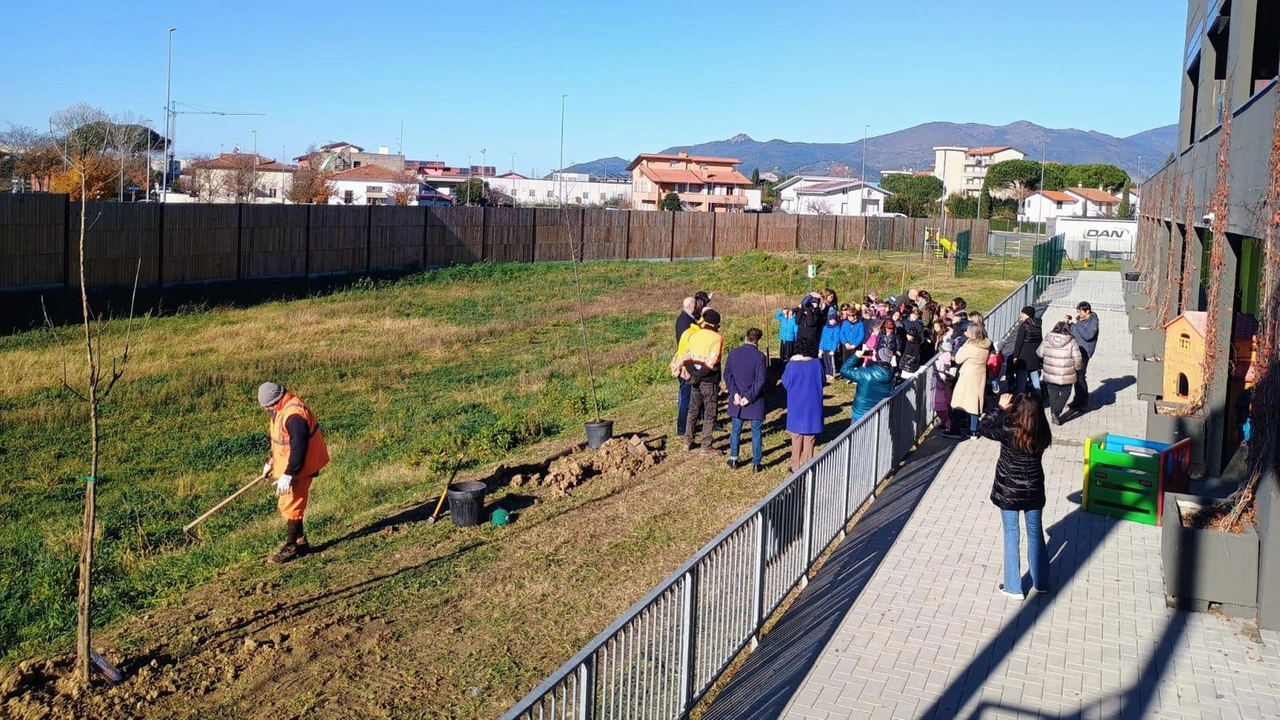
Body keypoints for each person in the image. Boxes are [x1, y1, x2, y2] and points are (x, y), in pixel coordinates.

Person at [979, 392, 1053, 600]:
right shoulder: (1042, 430)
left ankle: (1014, 586)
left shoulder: (1009, 429)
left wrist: (1000, 408)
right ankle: (1041, 582)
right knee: (1035, 533)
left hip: (1009, 489)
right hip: (1034, 488)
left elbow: (983, 428)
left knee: (1012, 534)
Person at [257, 382, 330, 564]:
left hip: (300, 466)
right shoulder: (280, 409)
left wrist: (289, 474)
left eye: (269, 406)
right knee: (289, 504)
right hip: (290, 464)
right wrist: (271, 461)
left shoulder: (294, 415)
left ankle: (291, 547)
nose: (267, 410)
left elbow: (299, 448)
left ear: (277, 399)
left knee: (291, 505)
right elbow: (281, 441)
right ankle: (301, 541)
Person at [680, 309, 724, 453]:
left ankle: (688, 441)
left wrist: (694, 375)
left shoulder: (694, 335)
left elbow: (686, 358)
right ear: (717, 324)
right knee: (710, 414)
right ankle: (706, 446)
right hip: (709, 379)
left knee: (692, 410)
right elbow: (711, 362)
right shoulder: (717, 338)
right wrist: (700, 375)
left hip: (694, 379)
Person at [724, 328, 767, 471]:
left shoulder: (733, 353)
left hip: (737, 399)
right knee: (756, 432)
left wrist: (734, 393)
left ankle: (734, 459)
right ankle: (756, 463)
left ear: (745, 338)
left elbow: (727, 375)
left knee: (736, 430)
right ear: (758, 341)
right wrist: (749, 397)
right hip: (754, 399)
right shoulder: (760, 357)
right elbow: (760, 380)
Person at [781, 338, 824, 472]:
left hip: (796, 403)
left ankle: (795, 466)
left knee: (796, 436)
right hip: (813, 404)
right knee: (809, 437)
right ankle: (807, 466)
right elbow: (822, 381)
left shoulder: (791, 365)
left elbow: (785, 383)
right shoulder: (817, 364)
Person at [948, 324, 992, 438]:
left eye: (967, 331)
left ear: (972, 334)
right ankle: (973, 430)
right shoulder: (986, 345)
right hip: (980, 375)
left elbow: (958, 359)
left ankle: (955, 429)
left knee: (959, 402)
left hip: (967, 375)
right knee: (975, 403)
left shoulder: (969, 347)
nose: (965, 333)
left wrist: (962, 347)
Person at [1038, 321, 1083, 424]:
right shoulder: (1072, 341)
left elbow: (1039, 353)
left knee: (1053, 393)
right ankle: (1056, 412)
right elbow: (1077, 358)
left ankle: (1054, 411)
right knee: (1065, 393)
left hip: (1051, 372)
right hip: (1066, 373)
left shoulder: (1047, 339)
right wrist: (1077, 367)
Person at [842, 346, 895, 421]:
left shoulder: (866, 373)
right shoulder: (891, 376)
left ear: (878, 358)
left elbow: (844, 370)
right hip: (878, 413)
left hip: (860, 413)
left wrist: (856, 356)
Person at [674, 297, 701, 437]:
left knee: (687, 396)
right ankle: (682, 428)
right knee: (686, 398)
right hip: (686, 365)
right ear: (692, 306)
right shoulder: (686, 322)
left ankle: (686, 426)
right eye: (696, 304)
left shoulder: (684, 319)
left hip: (685, 362)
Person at [1068, 301, 1099, 412]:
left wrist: (1076, 324)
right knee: (1076, 377)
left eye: (1080, 312)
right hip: (1076, 350)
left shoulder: (1094, 321)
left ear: (1087, 311)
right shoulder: (1080, 320)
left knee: (1080, 377)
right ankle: (1077, 399)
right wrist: (1069, 324)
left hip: (1084, 352)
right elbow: (1073, 331)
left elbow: (1088, 335)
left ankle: (1085, 401)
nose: (1079, 314)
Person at [1008, 306, 1043, 394]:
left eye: (1023, 314)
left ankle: (1020, 397)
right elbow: (1040, 340)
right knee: (1035, 377)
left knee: (1021, 379)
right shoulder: (1038, 326)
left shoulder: (1023, 326)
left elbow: (1019, 343)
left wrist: (1015, 356)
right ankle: (1038, 397)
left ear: (1028, 315)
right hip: (1034, 357)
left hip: (1023, 357)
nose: (1021, 316)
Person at [819, 315, 841, 380]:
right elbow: (822, 338)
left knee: (831, 362)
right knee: (826, 361)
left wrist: (833, 350)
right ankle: (827, 373)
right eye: (831, 320)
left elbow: (836, 340)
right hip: (824, 348)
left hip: (830, 348)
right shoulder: (825, 327)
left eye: (834, 320)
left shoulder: (836, 328)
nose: (832, 321)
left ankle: (832, 374)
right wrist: (820, 348)